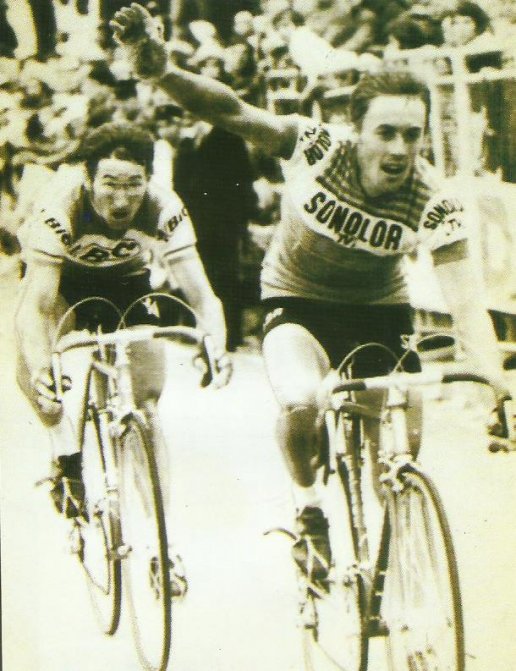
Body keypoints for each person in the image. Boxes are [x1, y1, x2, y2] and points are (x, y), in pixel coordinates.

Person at [110, 4, 511, 583]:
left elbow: (468, 306)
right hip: (298, 302)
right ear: (357, 129)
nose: (399, 149)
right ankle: (309, 508)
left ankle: (396, 568)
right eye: (385, 133)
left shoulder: (434, 200)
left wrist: (497, 383)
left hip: (380, 312)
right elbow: (230, 110)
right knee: (301, 401)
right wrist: (161, 71)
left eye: (412, 135)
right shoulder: (318, 148)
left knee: (400, 448)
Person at [15, 121, 231, 517]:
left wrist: (215, 343)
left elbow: (201, 294)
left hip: (128, 282)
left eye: (134, 185)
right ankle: (66, 457)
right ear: (88, 178)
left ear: (149, 180)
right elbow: (36, 307)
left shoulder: (163, 206)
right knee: (38, 383)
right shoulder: (61, 205)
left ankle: (159, 536)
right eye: (110, 184)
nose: (122, 199)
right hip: (63, 284)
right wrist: (42, 367)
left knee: (147, 401)